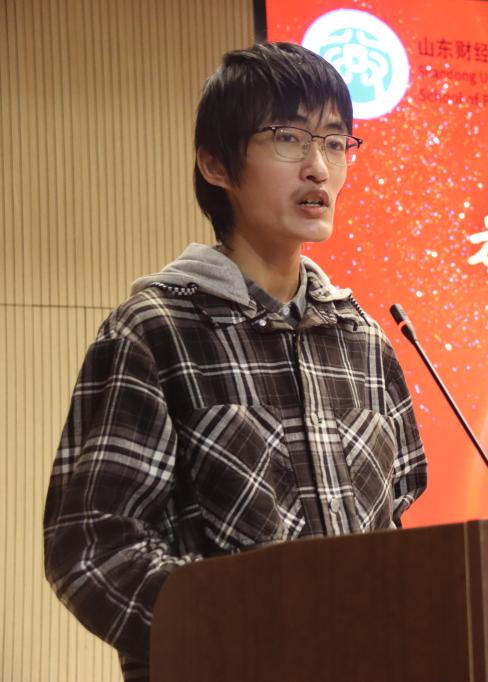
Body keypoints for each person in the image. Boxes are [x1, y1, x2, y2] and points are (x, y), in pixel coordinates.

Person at [42, 42, 427, 681]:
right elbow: (94, 547)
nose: (319, 168)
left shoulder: (363, 340)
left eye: (335, 142)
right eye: (288, 137)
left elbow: (393, 520)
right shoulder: (157, 330)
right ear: (216, 164)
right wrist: (246, 635)